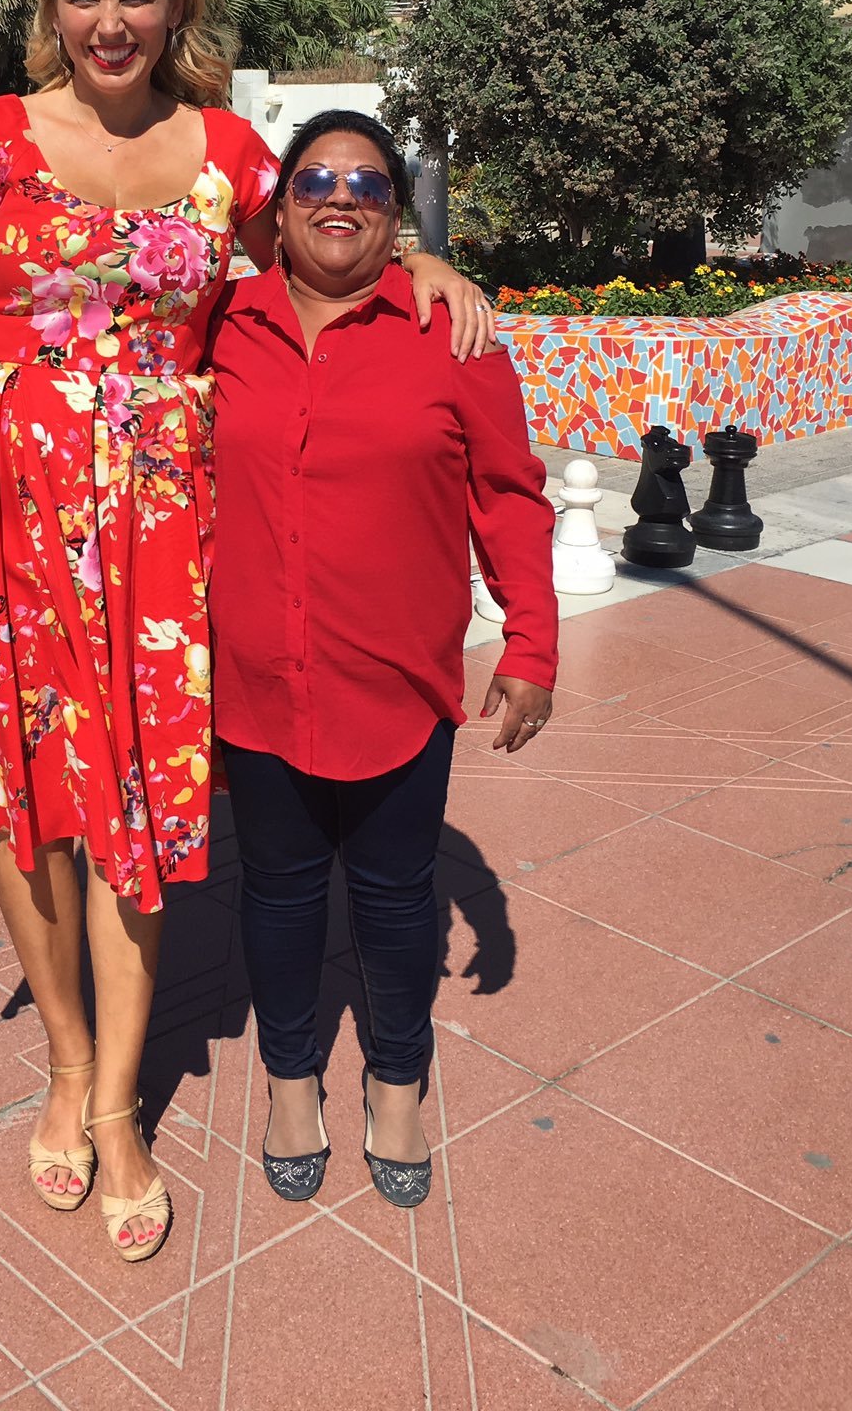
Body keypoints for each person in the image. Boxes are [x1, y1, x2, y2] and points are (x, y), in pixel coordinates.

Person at [0, 0, 493, 1262]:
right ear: (51, 5)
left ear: (175, 6)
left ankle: (117, 1108)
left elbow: (324, 251)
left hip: (160, 529)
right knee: (28, 805)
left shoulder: (227, 155)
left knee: (137, 812)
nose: (110, 22)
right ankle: (64, 1061)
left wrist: (424, 264)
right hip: (3, 510)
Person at [207, 109, 558, 1209]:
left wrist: (532, 640)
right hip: (258, 676)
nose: (338, 198)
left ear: (395, 213)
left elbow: (510, 494)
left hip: (395, 682)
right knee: (277, 893)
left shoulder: (451, 334)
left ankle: (396, 1085)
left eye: (366, 183)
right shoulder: (220, 322)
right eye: (314, 178)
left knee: (400, 900)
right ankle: (291, 1082)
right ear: (279, 208)